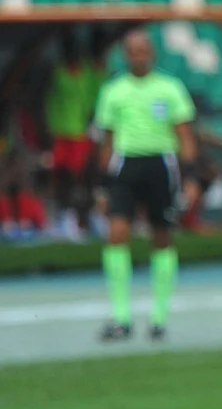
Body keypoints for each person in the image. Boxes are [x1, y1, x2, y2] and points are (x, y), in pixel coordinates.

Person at [95, 30, 200, 341]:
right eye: (132, 52)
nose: (138, 57)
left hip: (160, 165)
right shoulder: (113, 92)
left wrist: (191, 176)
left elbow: (184, 136)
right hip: (125, 165)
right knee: (116, 234)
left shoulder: (169, 88)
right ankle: (121, 317)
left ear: (151, 54)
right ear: (126, 55)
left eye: (143, 51)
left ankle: (159, 317)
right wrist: (102, 186)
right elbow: (106, 141)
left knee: (162, 235)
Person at [45, 37, 105, 239]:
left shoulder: (88, 74)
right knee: (64, 178)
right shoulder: (59, 74)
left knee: (86, 175)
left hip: (80, 132)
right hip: (61, 133)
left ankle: (88, 215)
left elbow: (93, 96)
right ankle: (65, 216)